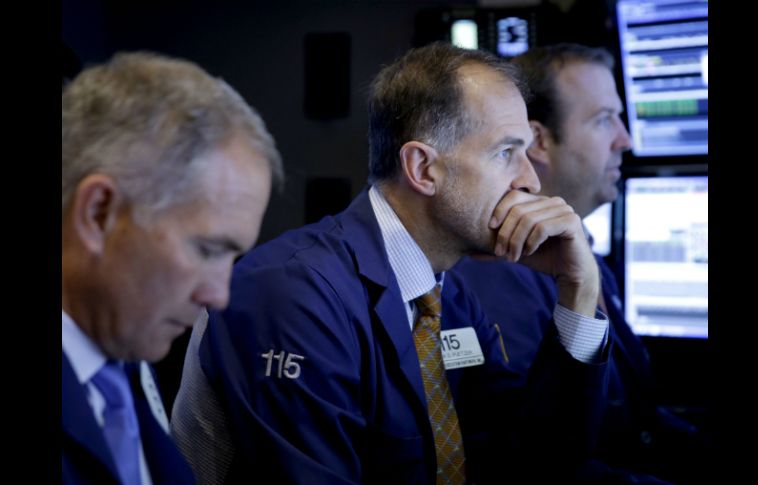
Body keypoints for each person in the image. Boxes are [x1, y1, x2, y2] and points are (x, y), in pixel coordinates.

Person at [171, 42, 611, 485]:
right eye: (505, 153)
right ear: (422, 168)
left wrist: (578, 289)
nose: (531, 181)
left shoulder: (447, 294)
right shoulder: (294, 293)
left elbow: (533, 463)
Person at [453, 43, 709, 484]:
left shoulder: (581, 254)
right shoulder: (498, 274)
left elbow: (640, 422)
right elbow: (543, 461)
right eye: (603, 119)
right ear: (538, 141)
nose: (625, 139)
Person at [62, 51, 283, 484]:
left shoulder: (120, 359)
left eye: (232, 258)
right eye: (207, 250)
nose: (218, 296)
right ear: (99, 213)